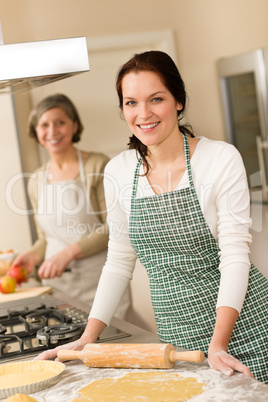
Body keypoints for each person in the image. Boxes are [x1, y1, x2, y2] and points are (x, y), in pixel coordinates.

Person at [35, 53, 268, 383]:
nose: (143, 113)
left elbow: (235, 257)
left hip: (247, 331)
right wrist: (88, 338)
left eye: (156, 99)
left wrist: (218, 345)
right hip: (176, 340)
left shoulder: (219, 159)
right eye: (131, 102)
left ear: (178, 101)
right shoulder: (118, 170)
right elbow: (118, 260)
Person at [13, 93, 131, 318]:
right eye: (44, 125)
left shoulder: (98, 164)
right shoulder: (36, 179)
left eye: (60, 122)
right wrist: (33, 256)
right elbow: (46, 238)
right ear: (36, 132)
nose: (52, 131)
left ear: (74, 126)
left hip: (100, 283)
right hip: (57, 288)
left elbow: (113, 227)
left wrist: (67, 254)